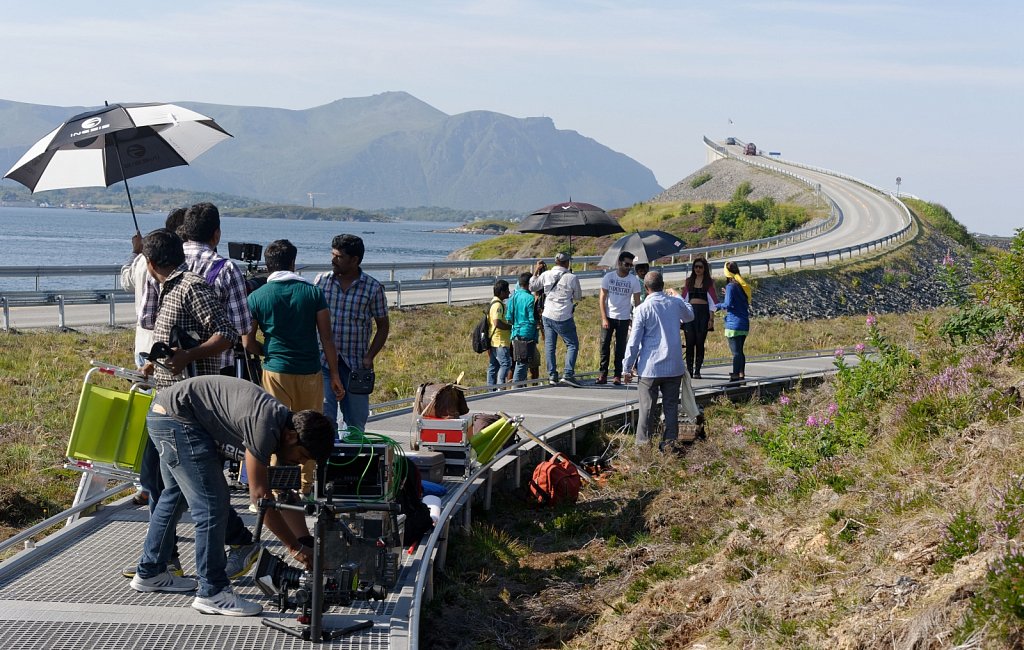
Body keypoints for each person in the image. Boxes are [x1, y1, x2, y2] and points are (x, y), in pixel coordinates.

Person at [129, 375, 335, 617]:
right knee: (211, 505)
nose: (300, 463)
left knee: (175, 495)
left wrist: (306, 542)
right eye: (302, 456)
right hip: (177, 419)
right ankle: (213, 592)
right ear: (292, 437)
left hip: (168, 413)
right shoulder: (263, 425)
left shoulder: (285, 430)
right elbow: (260, 499)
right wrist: (293, 547)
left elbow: (284, 495)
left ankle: (151, 571)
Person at [130, 229, 260, 581]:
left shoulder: (190, 287)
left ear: (150, 261)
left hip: (190, 407)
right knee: (173, 490)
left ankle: (202, 578)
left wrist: (189, 354)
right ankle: (154, 567)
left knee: (199, 494)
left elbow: (226, 333)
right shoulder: (168, 288)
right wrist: (152, 364)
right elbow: (172, 340)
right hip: (171, 403)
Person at [246, 239, 345, 499]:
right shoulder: (313, 293)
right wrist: (334, 375)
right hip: (310, 372)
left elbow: (247, 341)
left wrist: (266, 352)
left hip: (276, 371)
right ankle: (305, 488)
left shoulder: (257, 296)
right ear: (293, 262)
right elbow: (327, 338)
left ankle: (274, 488)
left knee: (276, 430)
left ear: (268, 267)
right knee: (309, 430)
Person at [141, 203, 255, 378]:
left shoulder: (161, 263)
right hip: (216, 368)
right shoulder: (226, 269)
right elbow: (241, 327)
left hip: (168, 365)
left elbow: (147, 319)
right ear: (216, 234)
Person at [120, 208, 185, 506]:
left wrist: (134, 253)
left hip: (142, 347)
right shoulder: (179, 272)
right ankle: (164, 483)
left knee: (150, 418)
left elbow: (125, 282)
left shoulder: (141, 262)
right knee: (166, 420)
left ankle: (146, 484)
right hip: (164, 353)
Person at [315, 234, 390, 432]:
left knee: (356, 423)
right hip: (322, 361)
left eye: (338, 256)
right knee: (324, 418)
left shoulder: (372, 288)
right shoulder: (321, 282)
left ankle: (352, 460)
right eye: (332, 255)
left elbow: (383, 325)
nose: (333, 260)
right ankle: (326, 461)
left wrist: (370, 356)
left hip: (355, 365)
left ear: (354, 260)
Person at [621, 271, 695, 450]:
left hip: (650, 367)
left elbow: (634, 342)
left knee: (646, 408)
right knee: (670, 406)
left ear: (646, 288)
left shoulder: (642, 309)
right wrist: (678, 295)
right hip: (673, 366)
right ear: (663, 285)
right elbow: (690, 315)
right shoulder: (675, 303)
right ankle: (669, 443)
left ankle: (643, 446)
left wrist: (627, 367)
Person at [121, 208, 185, 370]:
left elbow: (126, 282)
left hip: (143, 343)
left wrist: (135, 252)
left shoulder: (143, 258)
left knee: (146, 392)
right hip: (167, 349)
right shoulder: (174, 264)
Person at [529, 252, 583, 387]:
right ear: (567, 263)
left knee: (550, 346)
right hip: (563, 316)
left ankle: (552, 375)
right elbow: (578, 297)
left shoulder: (546, 274)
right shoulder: (572, 277)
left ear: (556, 262)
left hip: (547, 314)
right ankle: (568, 374)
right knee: (572, 344)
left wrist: (536, 270)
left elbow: (532, 286)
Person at [597, 251, 641, 385]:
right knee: (604, 346)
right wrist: (604, 318)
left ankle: (617, 375)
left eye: (631, 265)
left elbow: (638, 303)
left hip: (624, 318)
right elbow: (602, 298)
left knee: (620, 348)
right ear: (619, 263)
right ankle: (602, 374)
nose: (628, 267)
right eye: (626, 264)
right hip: (609, 316)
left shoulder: (633, 280)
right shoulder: (608, 277)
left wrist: (636, 320)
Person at [680, 257, 718, 379]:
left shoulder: (709, 282)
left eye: (700, 267)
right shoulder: (689, 281)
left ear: (704, 268)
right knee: (690, 343)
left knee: (700, 343)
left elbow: (713, 303)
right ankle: (689, 370)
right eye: (696, 266)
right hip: (690, 313)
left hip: (703, 314)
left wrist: (711, 319)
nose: (698, 269)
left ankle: (697, 370)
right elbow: (683, 300)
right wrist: (681, 317)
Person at [720, 261, 751, 384]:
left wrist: (717, 305)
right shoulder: (741, 286)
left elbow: (728, 304)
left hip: (734, 324)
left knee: (735, 352)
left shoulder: (730, 287)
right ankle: (741, 374)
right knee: (740, 351)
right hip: (744, 323)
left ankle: (734, 376)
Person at [505, 272, 539, 383]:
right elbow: (531, 318)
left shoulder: (512, 298)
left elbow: (508, 318)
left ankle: (518, 385)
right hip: (527, 333)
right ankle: (516, 386)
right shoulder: (530, 298)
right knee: (522, 364)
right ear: (529, 283)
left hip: (515, 333)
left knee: (518, 362)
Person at [486, 279, 512, 388]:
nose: (509, 293)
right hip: (500, 340)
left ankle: (491, 389)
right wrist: (510, 327)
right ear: (501, 292)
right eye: (507, 291)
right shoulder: (498, 305)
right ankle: (500, 387)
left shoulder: (493, 302)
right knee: (505, 364)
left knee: (493, 366)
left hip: (493, 340)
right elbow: (497, 322)